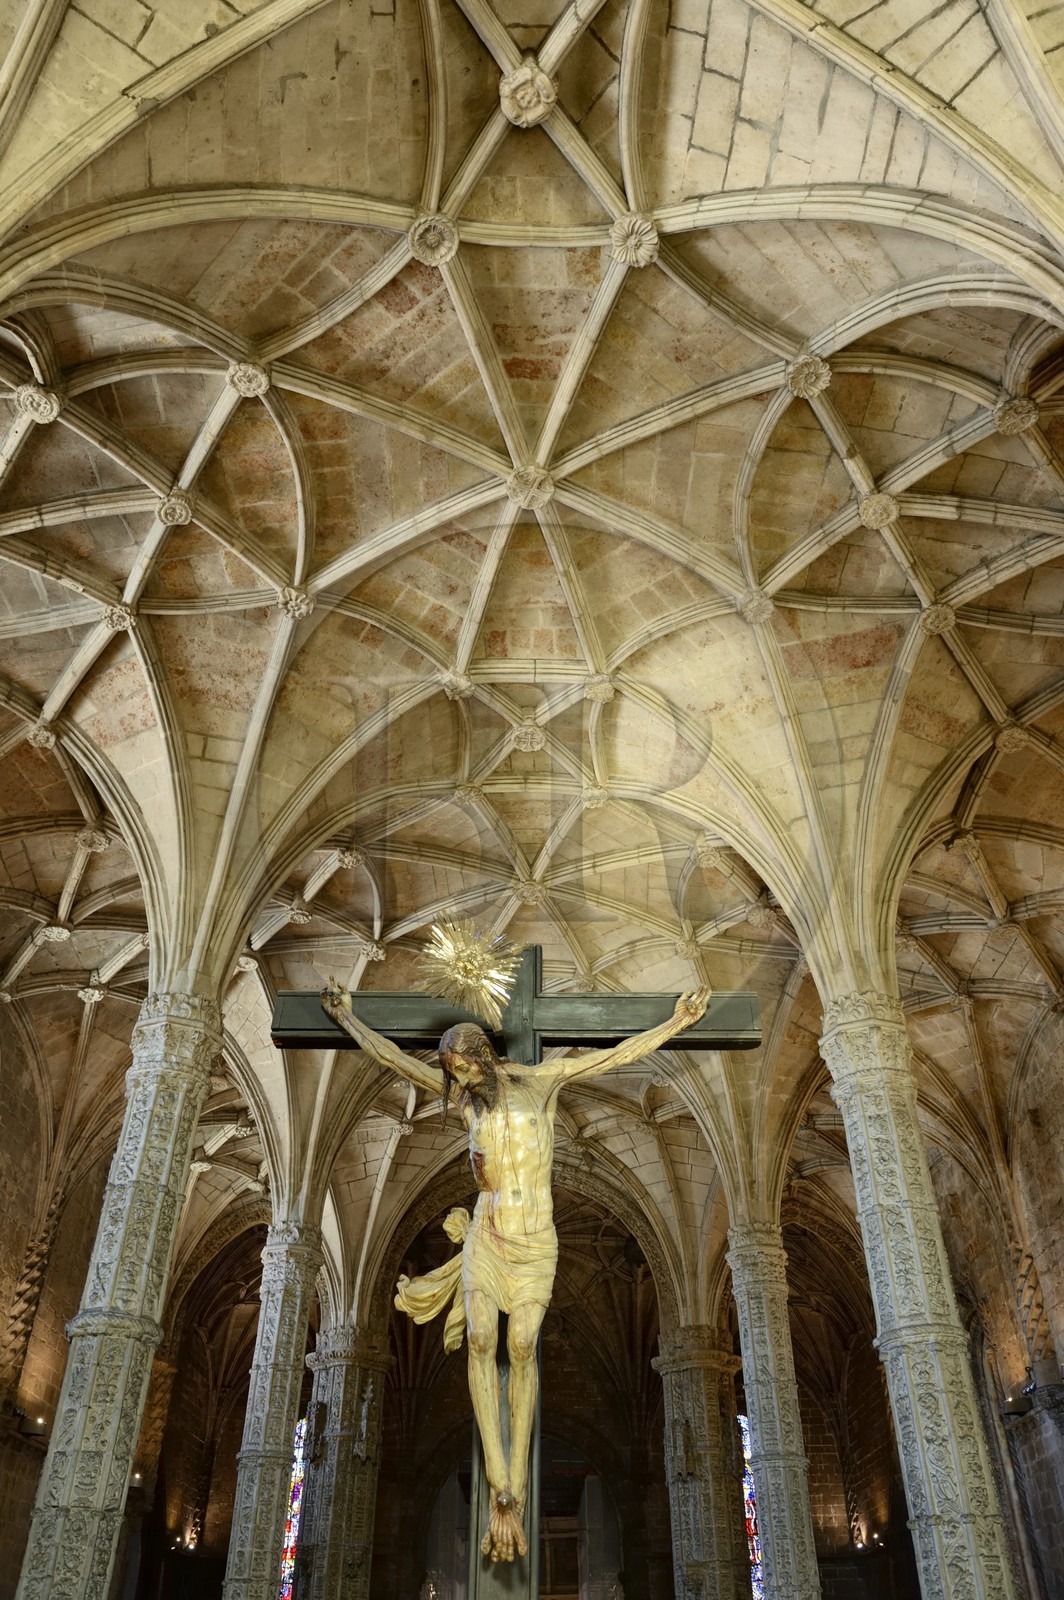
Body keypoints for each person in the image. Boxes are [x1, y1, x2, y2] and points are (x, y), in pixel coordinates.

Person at [320, 980, 711, 1562]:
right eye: (453, 1073)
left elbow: (614, 1055)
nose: (461, 1080)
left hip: (535, 1242)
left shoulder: (539, 1083)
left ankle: (515, 1490)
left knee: (522, 1347)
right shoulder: (462, 1102)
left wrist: (675, 1024)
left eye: (465, 1068)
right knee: (481, 1339)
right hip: (488, 1232)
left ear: (482, 1056)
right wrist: (348, 1019)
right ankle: (498, 1485)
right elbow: (393, 1058)